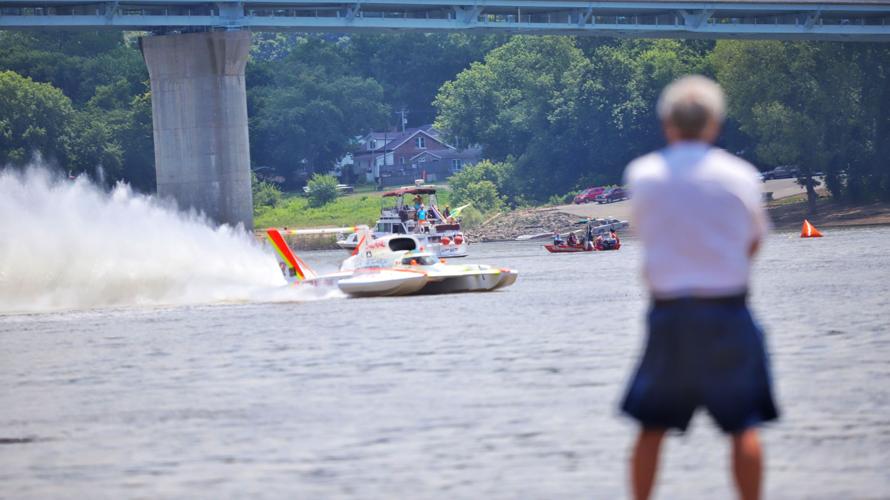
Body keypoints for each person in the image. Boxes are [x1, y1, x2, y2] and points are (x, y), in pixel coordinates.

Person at [620, 75, 777, 500]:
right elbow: (755, 240)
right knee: (743, 424)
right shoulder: (740, 175)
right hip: (727, 310)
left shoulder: (644, 174)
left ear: (667, 124)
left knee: (651, 426)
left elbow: (644, 232)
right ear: (714, 124)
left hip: (670, 314)